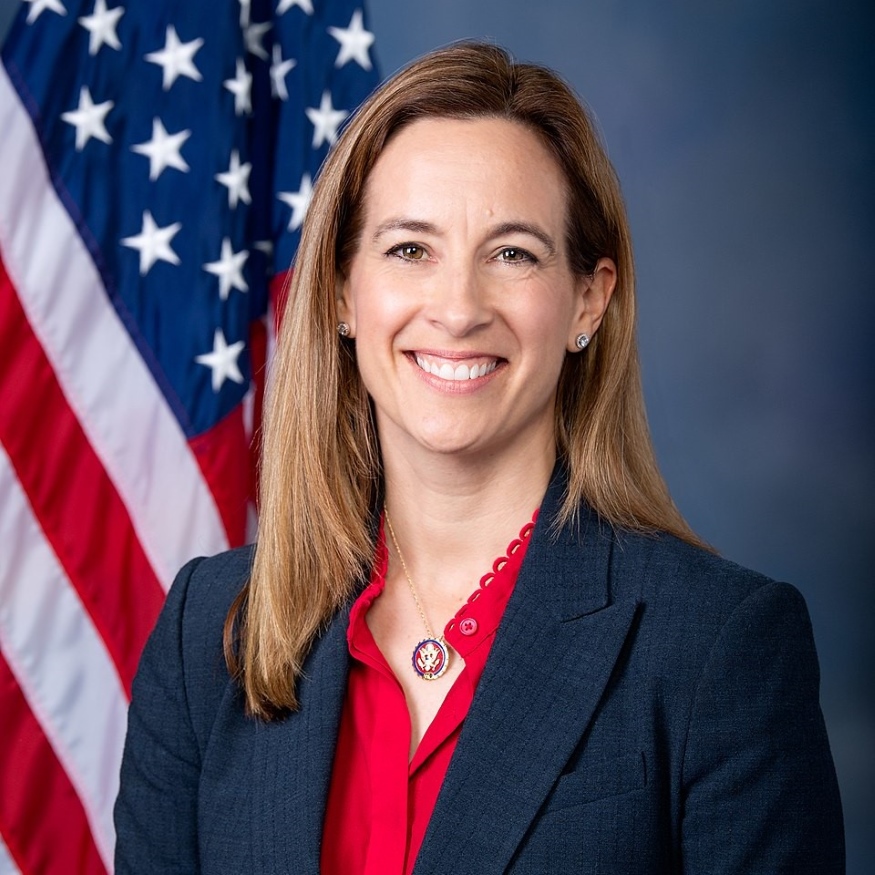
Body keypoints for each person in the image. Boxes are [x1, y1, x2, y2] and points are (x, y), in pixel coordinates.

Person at [114, 42, 844, 874]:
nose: (457, 309)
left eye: (512, 254)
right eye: (408, 249)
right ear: (344, 292)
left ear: (587, 299)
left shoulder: (718, 648)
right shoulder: (209, 634)